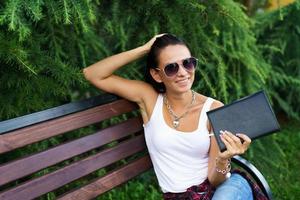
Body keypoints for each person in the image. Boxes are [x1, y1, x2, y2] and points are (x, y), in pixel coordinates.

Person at [83, 34, 256, 200]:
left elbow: (215, 180)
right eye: (171, 67)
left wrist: (223, 159)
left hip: (226, 190)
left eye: (188, 63)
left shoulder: (213, 108)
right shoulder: (149, 100)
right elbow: (93, 74)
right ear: (156, 74)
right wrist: (144, 49)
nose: (183, 73)